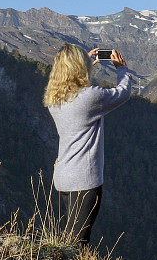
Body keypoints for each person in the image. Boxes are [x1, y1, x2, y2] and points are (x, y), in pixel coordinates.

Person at [43, 43, 132, 245]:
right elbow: (123, 92)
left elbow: (75, 86)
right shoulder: (90, 98)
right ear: (80, 67)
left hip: (63, 177)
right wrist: (122, 69)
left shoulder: (54, 99)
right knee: (77, 241)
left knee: (72, 234)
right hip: (84, 179)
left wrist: (84, 67)